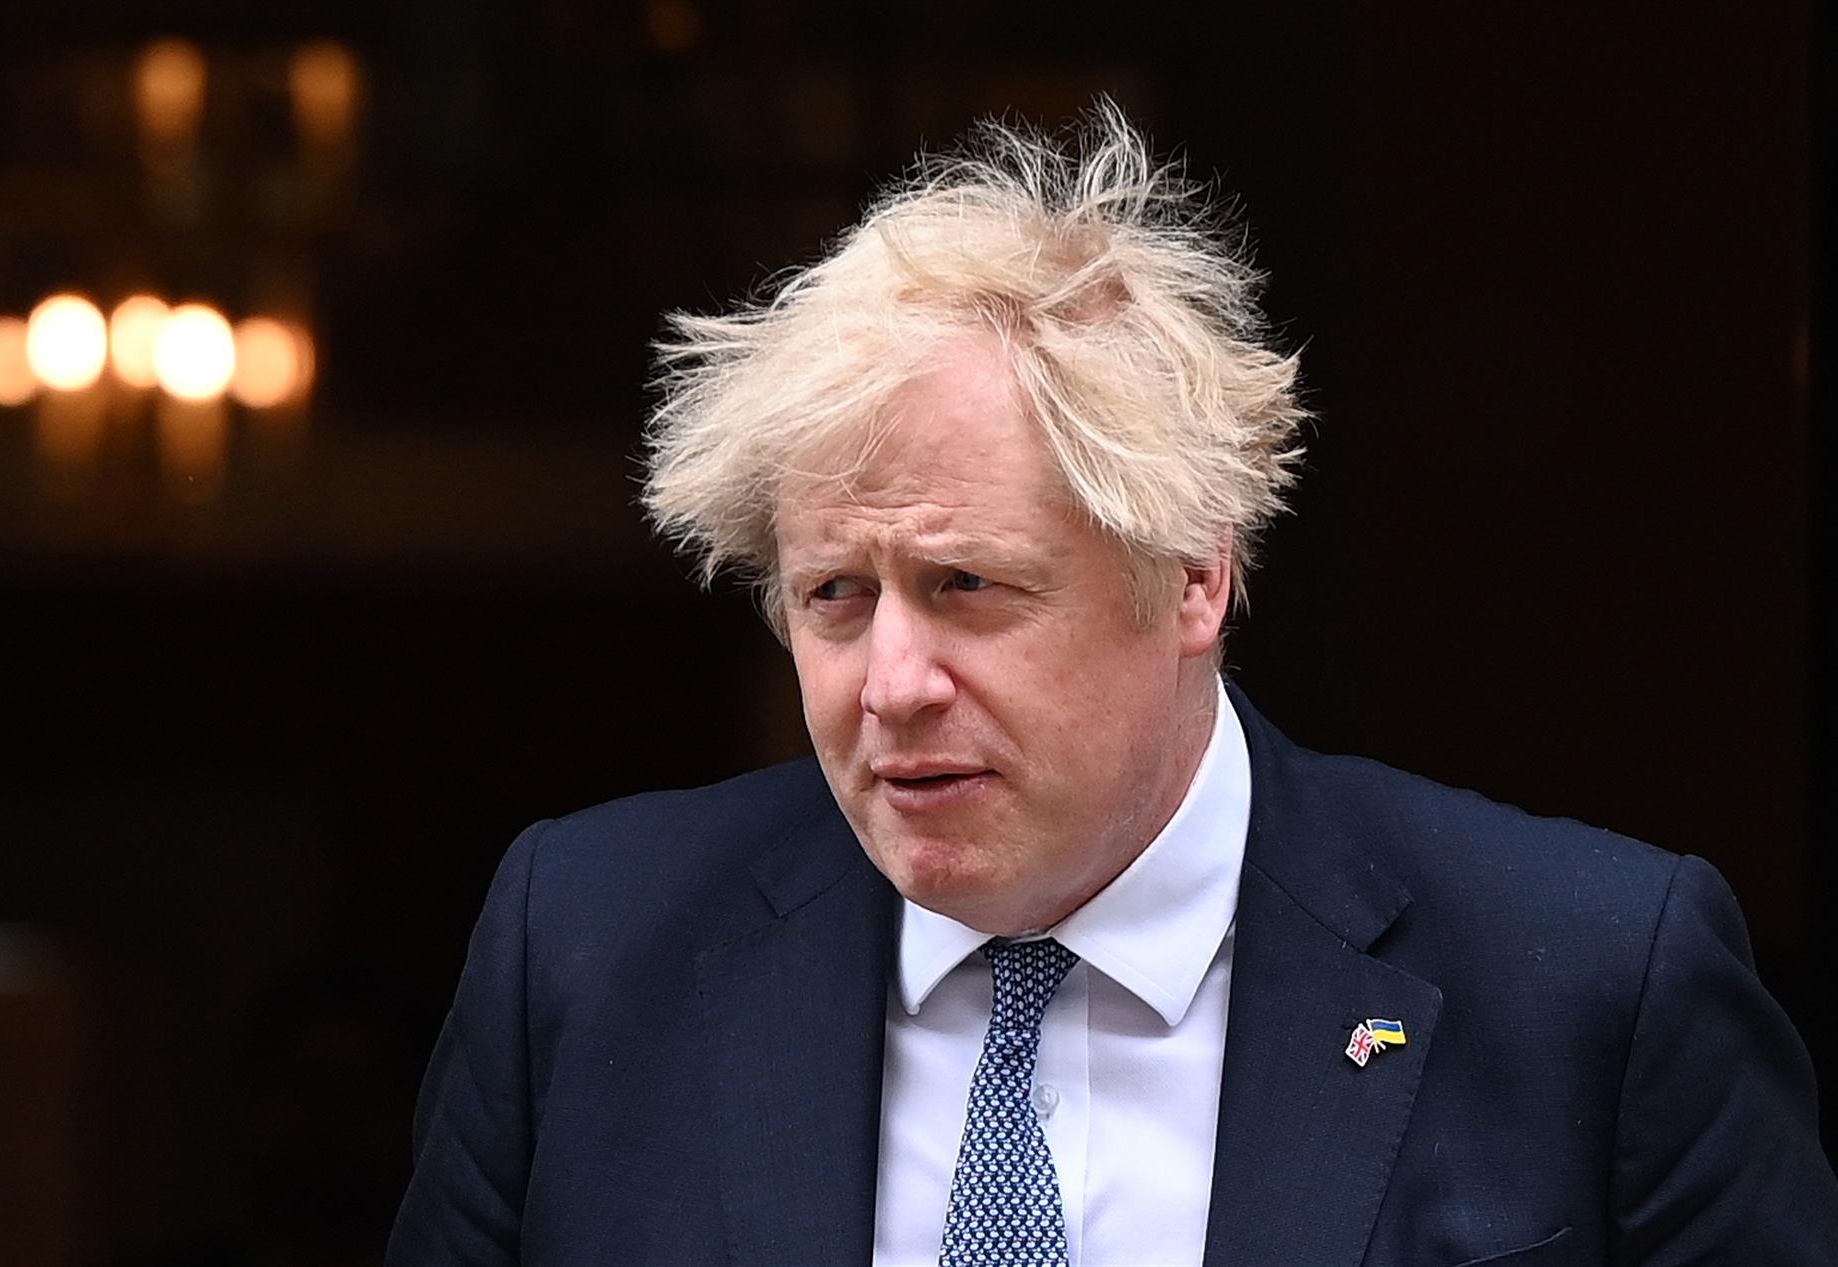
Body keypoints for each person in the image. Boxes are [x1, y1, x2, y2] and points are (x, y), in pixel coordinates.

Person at [388, 103, 1837, 1266]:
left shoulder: (1594, 980)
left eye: (969, 588)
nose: (892, 681)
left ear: (1194, 576)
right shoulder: (586, 947)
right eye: (835, 596)